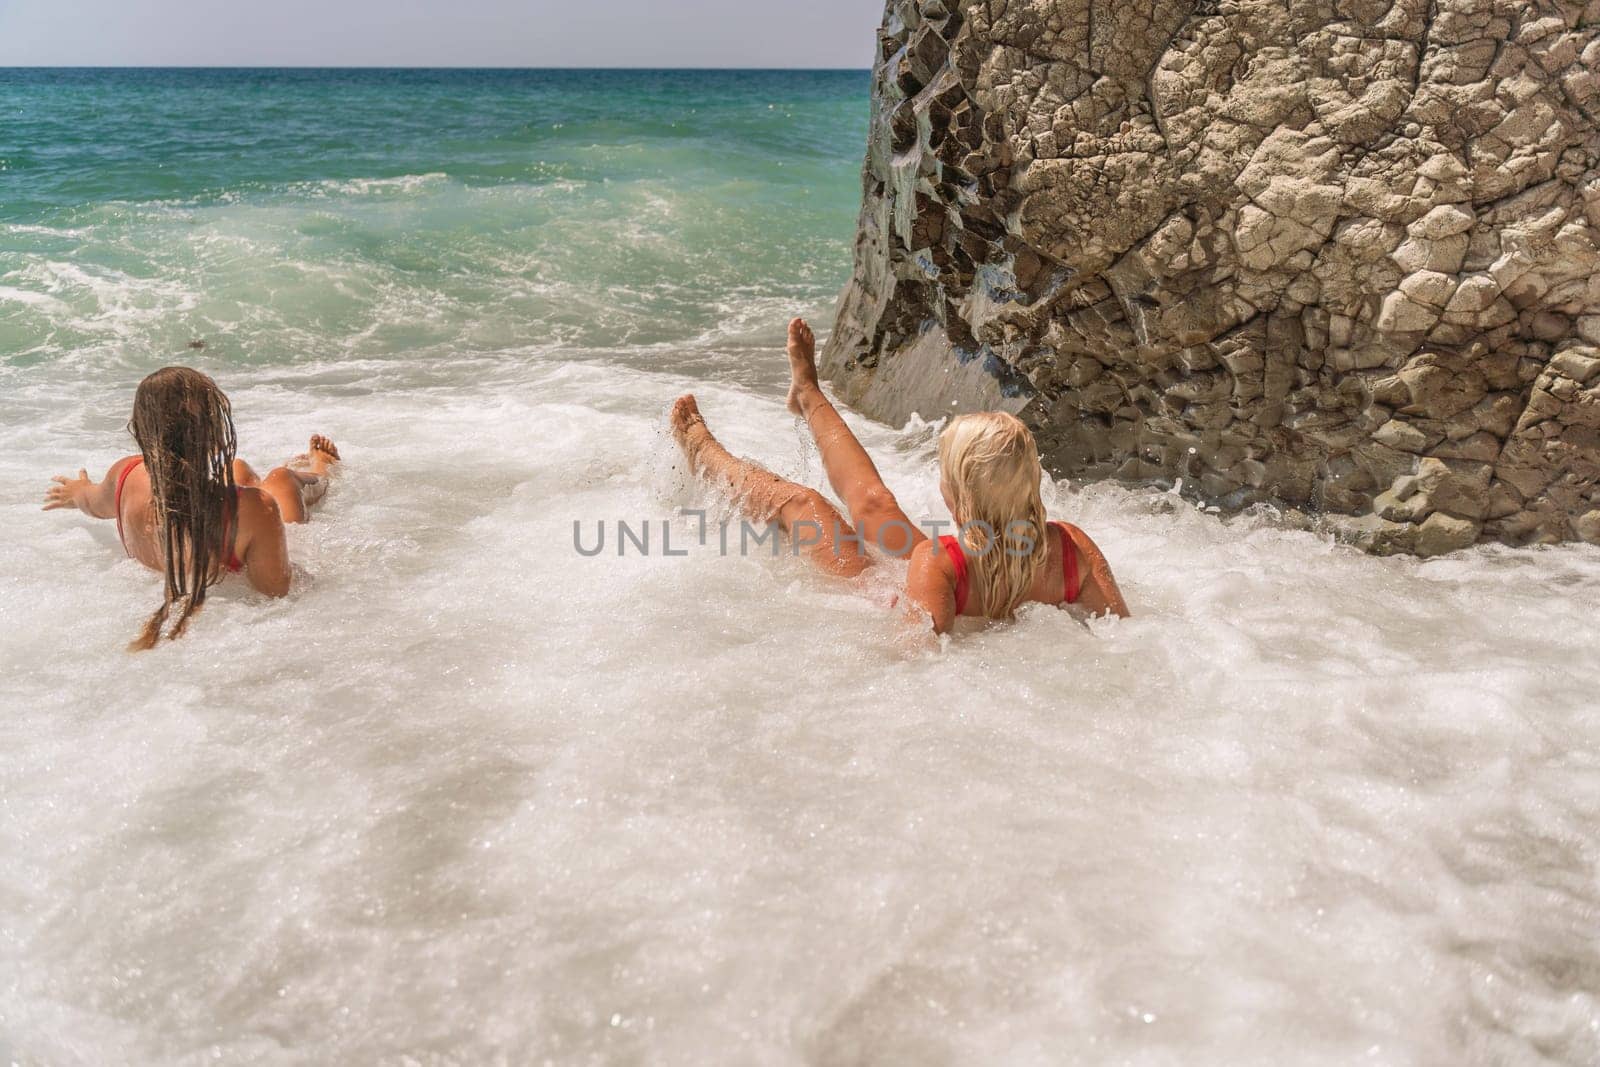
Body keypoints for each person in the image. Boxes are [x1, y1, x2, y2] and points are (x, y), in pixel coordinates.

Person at [669, 318, 1129, 634]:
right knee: (876, 507)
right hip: (953, 574)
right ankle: (808, 394)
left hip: (884, 587)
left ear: (955, 497)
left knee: (803, 504)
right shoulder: (1072, 547)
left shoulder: (938, 561)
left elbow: (916, 656)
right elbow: (1122, 631)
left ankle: (701, 451)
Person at [42, 366, 340, 650]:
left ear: (142, 430)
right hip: (246, 533)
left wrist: (76, 492)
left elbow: (91, 501)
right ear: (212, 433)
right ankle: (321, 467)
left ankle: (263, 475)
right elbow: (278, 593)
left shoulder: (124, 475)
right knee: (280, 479)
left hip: (213, 526)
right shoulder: (254, 508)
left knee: (237, 469)